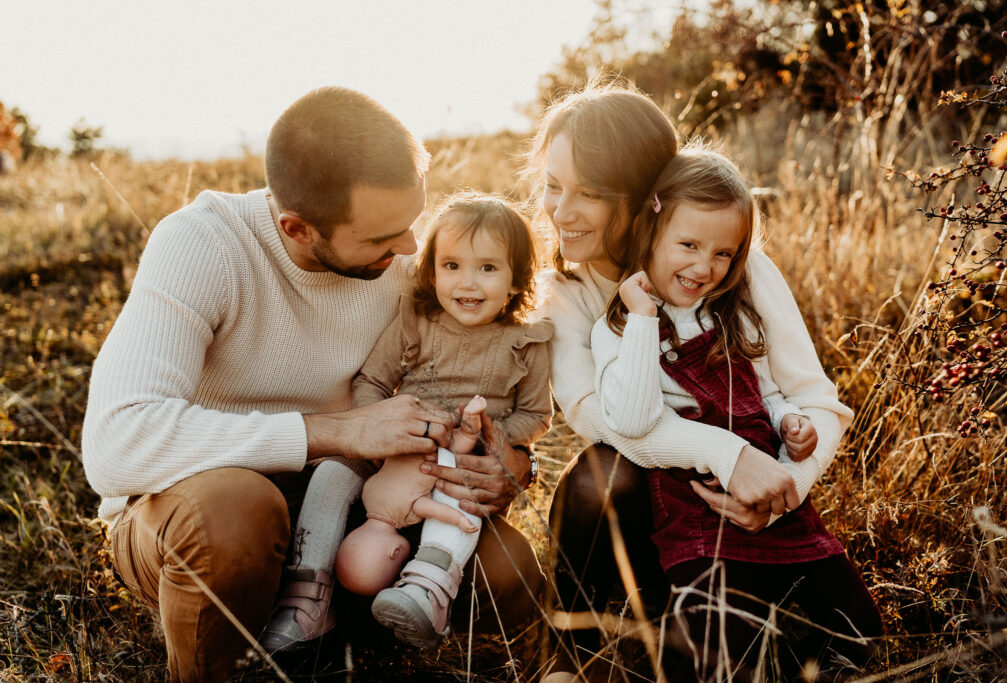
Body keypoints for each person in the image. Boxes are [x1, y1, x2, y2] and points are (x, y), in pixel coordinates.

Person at [81, 86, 542, 682]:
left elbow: (483, 372)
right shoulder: (205, 244)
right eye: (381, 239)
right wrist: (338, 431)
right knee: (236, 516)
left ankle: (328, 627)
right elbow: (116, 444)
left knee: (507, 569)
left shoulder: (403, 264)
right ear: (297, 228)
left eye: (411, 224)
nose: (408, 250)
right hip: (208, 514)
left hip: (354, 508)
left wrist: (507, 466)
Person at [530, 83, 873, 681]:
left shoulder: (731, 269)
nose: (559, 212)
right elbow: (604, 421)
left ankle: (719, 616)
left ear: (646, 201)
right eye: (553, 184)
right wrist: (728, 452)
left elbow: (815, 399)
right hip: (653, 513)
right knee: (596, 477)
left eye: (588, 193)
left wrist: (780, 486)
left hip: (744, 512)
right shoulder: (567, 291)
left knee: (852, 640)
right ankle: (571, 648)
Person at [261, 193, 552, 652]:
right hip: (395, 448)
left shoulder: (527, 343)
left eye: (488, 268)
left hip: (461, 459)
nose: (467, 283)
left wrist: (493, 440)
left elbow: (536, 416)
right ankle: (307, 592)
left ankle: (429, 587)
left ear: (517, 280)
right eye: (451, 266)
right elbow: (373, 381)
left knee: (460, 497)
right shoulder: (416, 321)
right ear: (431, 270)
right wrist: (374, 437)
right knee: (333, 475)